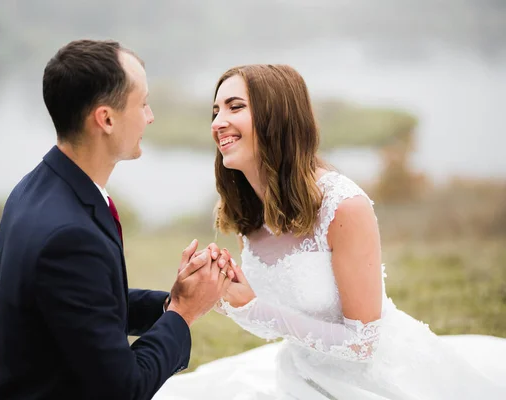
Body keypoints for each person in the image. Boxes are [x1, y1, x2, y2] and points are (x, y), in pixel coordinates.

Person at [154, 64, 506, 399]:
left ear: (276, 117)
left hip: (375, 384)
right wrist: (231, 296)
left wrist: (256, 308)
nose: (219, 122)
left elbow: (362, 342)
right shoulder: (251, 210)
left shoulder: (343, 205)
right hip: (299, 376)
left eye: (235, 107)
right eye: (215, 111)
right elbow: (279, 324)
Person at [0, 39, 235, 400]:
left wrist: (170, 303)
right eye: (143, 103)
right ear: (106, 118)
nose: (151, 116)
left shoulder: (38, 187)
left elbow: (84, 305)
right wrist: (184, 313)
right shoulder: (68, 236)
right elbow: (125, 389)